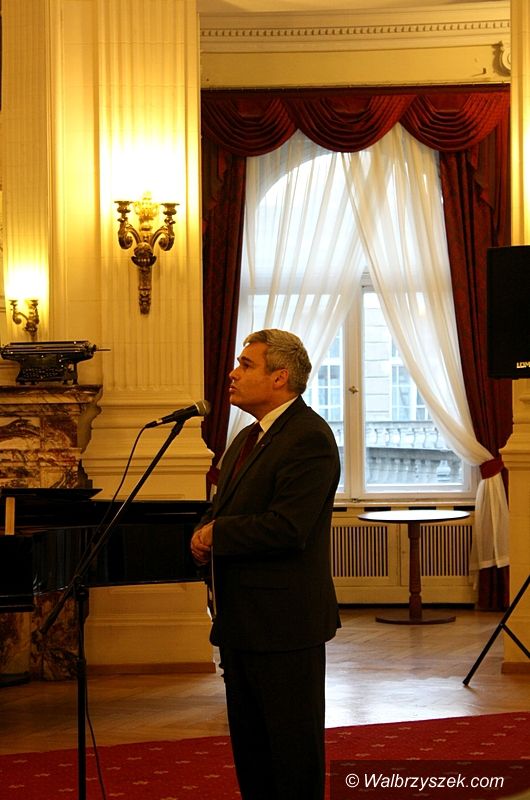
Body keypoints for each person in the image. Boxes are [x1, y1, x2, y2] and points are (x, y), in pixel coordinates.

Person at [190, 328, 341, 800]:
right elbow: (224, 509)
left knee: (291, 755)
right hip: (241, 622)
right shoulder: (246, 438)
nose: (232, 374)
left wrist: (217, 534)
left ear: (280, 377)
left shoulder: (309, 437)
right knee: (253, 754)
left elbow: (288, 527)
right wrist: (203, 531)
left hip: (285, 625)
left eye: (246, 365)